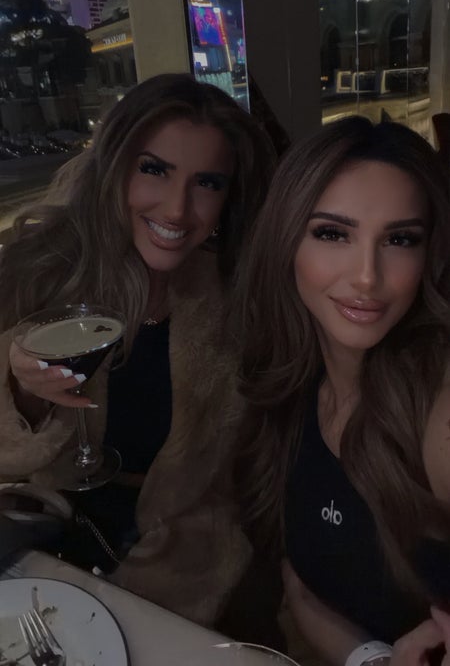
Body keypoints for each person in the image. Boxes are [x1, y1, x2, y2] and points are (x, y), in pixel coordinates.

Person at [0, 72, 277, 627]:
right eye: (154, 170)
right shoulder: (41, 273)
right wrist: (25, 392)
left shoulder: (241, 297)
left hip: (185, 556)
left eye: (207, 182)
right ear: (115, 168)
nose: (177, 209)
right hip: (50, 542)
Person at [238, 117, 450, 665]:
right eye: (333, 233)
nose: (366, 277)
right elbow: (301, 583)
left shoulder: (438, 405)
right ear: (286, 241)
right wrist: (372, 659)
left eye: (400, 240)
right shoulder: (290, 385)